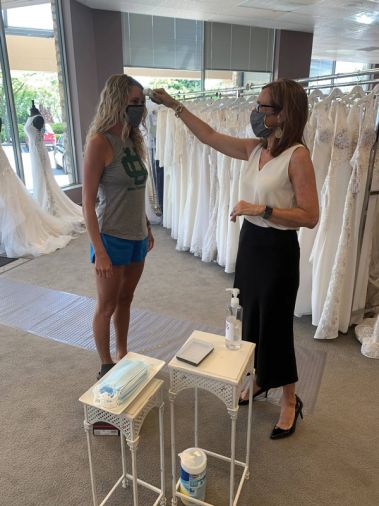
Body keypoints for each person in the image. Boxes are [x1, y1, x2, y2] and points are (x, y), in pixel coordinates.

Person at [152, 79, 319, 439]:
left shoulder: (298, 156)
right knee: (250, 320)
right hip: (252, 244)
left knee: (275, 325)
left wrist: (262, 208)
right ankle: (259, 381)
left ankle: (290, 400)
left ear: (284, 114)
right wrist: (174, 106)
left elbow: (310, 215)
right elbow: (210, 136)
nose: (257, 113)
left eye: (264, 108)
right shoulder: (255, 150)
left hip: (277, 250)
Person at [82, 74, 154, 379]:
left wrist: (147, 227)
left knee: (126, 299)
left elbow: (136, 191)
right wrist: (99, 251)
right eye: (133, 103)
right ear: (116, 101)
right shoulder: (99, 143)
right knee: (107, 304)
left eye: (141, 103)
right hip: (111, 238)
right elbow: (87, 204)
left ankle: (123, 352)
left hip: (138, 236)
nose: (139, 108)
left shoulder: (132, 139)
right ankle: (105, 362)